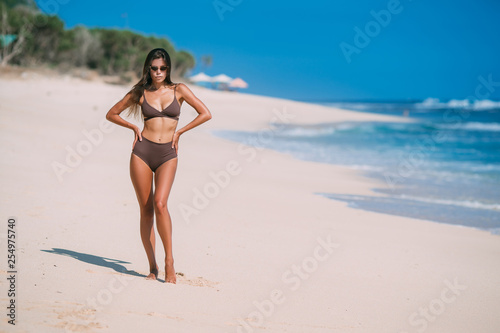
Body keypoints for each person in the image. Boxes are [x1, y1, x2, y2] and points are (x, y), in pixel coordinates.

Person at [106, 48, 212, 283]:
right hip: (142, 152)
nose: (158, 72)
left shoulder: (180, 90)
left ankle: (169, 261)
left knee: (161, 203)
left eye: (162, 68)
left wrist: (181, 132)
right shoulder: (140, 92)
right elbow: (111, 114)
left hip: (167, 154)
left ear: (168, 69)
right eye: (154, 68)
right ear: (148, 69)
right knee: (146, 210)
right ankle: (153, 266)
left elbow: (206, 113)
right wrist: (133, 128)